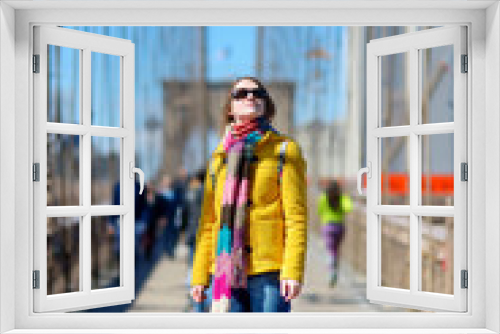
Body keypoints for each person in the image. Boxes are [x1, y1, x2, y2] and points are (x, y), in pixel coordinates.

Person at [190, 76, 308, 313]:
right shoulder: (219, 157)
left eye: (258, 92)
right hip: (224, 271)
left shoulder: (284, 149)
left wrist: (292, 271)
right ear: (230, 109)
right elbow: (209, 221)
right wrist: (199, 275)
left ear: (266, 104)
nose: (250, 96)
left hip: (268, 273)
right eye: (241, 93)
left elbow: (296, 217)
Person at [317, 180, 352, 288]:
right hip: (339, 227)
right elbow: (348, 208)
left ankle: (331, 270)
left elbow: (320, 211)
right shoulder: (343, 197)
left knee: (330, 250)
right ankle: (334, 267)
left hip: (327, 227)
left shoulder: (323, 197)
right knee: (336, 250)